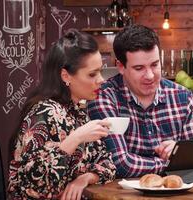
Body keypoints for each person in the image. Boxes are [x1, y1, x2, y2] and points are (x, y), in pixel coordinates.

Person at [87, 24, 193, 178]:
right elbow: (120, 164)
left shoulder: (184, 98)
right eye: (139, 68)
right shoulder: (103, 97)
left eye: (155, 65)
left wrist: (179, 150)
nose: (150, 75)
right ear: (121, 67)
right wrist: (178, 161)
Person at [8, 29, 116, 200]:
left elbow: (108, 164)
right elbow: (32, 184)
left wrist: (85, 178)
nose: (101, 79)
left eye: (100, 71)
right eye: (92, 74)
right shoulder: (44, 112)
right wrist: (76, 138)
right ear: (66, 75)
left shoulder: (78, 112)